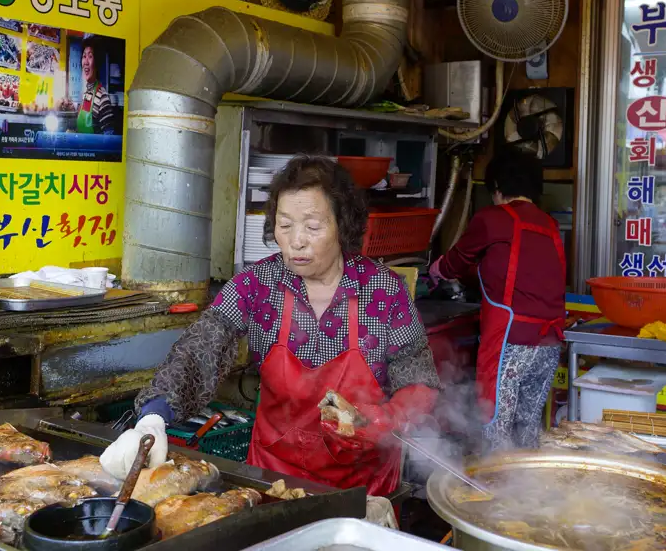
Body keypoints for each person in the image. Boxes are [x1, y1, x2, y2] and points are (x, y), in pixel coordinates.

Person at [101, 155, 441, 496]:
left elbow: (419, 382)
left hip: (362, 488)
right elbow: (201, 348)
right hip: (274, 479)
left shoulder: (383, 290)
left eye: (313, 226)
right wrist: (154, 417)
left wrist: (384, 421)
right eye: (285, 224)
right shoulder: (256, 285)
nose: (296, 241)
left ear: (343, 225)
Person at [430, 150, 565, 451]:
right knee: (528, 428)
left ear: (498, 188)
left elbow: (458, 259)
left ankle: (494, 492)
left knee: (495, 427)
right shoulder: (550, 225)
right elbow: (510, 271)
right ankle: (529, 492)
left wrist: (436, 269)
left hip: (511, 342)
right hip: (549, 343)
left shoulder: (494, 218)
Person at [77, 37, 115, 135]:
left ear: (97, 62)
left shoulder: (103, 97)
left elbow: (108, 138)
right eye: (84, 56)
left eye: (90, 56)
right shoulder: (85, 94)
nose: (85, 62)